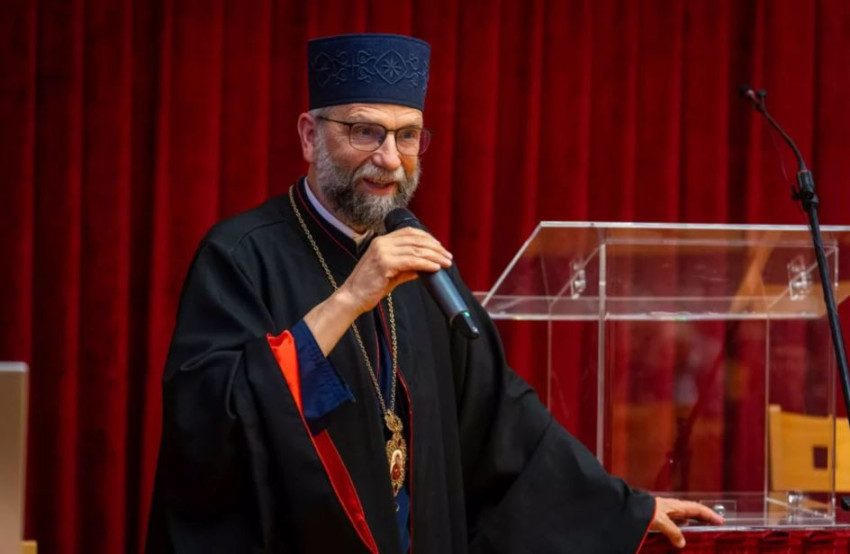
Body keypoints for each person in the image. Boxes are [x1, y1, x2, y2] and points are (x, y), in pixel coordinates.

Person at [146, 33, 722, 553]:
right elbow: (207, 430)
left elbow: (501, 418)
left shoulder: (419, 261)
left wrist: (621, 507)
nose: (389, 160)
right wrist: (349, 299)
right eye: (365, 131)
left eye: (407, 136)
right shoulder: (240, 255)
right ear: (309, 135)